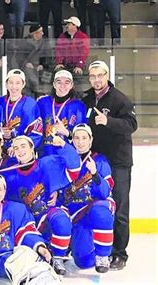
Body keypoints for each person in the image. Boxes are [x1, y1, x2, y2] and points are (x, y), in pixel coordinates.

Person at [82, 60, 138, 271]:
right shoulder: (88, 99)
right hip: (95, 162)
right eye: (92, 76)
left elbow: (132, 124)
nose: (96, 80)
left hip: (118, 162)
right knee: (96, 204)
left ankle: (119, 253)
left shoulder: (119, 99)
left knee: (120, 207)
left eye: (100, 75)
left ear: (107, 76)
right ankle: (100, 249)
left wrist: (109, 121)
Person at [2, 135, 80, 275]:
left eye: (23, 146)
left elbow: (74, 168)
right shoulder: (10, 175)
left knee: (62, 221)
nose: (20, 150)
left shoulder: (47, 164)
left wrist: (63, 145)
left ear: (32, 148)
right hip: (28, 222)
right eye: (16, 148)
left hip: (47, 212)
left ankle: (58, 257)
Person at [62, 124, 115, 273]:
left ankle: (103, 255)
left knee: (100, 210)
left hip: (94, 208)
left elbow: (105, 192)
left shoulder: (100, 161)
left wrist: (94, 174)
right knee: (84, 262)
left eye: (84, 138)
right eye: (77, 138)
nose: (80, 142)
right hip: (75, 215)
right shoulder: (65, 160)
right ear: (71, 140)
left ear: (91, 140)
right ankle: (81, 243)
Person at [37, 70, 86, 156]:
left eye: (67, 82)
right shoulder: (42, 102)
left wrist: (66, 132)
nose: (62, 86)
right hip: (45, 156)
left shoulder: (78, 106)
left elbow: (82, 137)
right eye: (59, 82)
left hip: (67, 156)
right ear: (54, 85)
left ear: (71, 85)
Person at [0, 69, 43, 155]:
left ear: (23, 84)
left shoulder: (30, 104)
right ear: (6, 84)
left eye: (18, 83)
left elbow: (36, 133)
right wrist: (0, 131)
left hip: (21, 154)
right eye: (11, 82)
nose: (14, 87)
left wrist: (18, 148)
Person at [16, 24, 53, 97]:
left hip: (42, 67)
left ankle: (42, 96)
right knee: (30, 77)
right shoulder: (24, 42)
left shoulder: (45, 42)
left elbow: (49, 56)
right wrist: (26, 63)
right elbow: (19, 56)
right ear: (34, 33)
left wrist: (43, 65)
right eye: (40, 31)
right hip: (29, 67)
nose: (42, 33)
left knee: (46, 76)